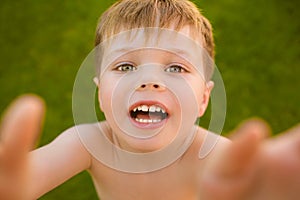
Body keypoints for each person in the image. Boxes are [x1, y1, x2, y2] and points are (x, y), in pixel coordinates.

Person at [1, 0, 300, 199]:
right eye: (126, 66)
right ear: (100, 93)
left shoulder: (217, 157)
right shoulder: (88, 143)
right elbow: (25, 176)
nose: (149, 81)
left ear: (203, 99)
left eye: (176, 67)